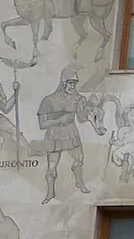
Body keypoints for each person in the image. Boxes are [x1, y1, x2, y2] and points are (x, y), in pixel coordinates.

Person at [35, 68, 95, 199]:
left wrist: (90, 117)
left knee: (79, 158)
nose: (72, 86)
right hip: (54, 134)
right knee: (52, 166)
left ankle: (80, 183)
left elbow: (81, 118)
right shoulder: (49, 100)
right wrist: (58, 120)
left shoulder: (78, 99)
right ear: (63, 83)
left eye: (74, 83)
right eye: (70, 83)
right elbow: (42, 124)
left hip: (71, 132)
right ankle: (50, 192)